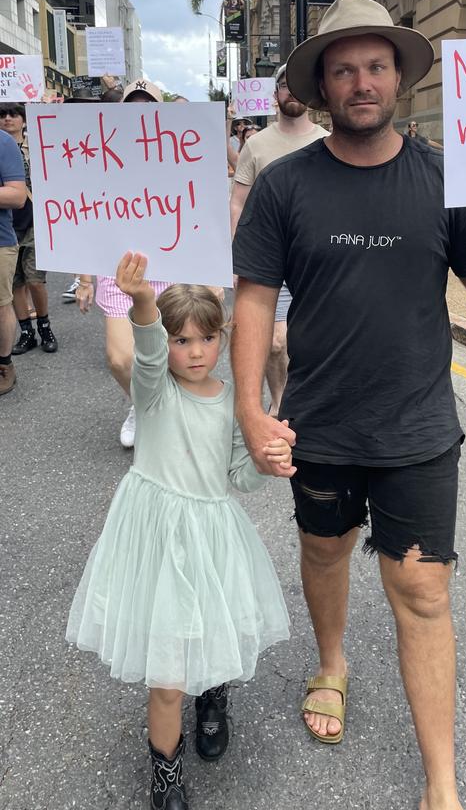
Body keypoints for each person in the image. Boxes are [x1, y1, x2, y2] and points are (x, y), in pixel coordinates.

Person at [230, 0, 466, 810]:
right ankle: (333, 663)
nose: (361, 81)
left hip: (419, 428)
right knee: (323, 554)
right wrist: (251, 409)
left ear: (398, 77)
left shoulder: (444, 178)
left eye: (375, 66)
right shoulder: (284, 185)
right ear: (322, 84)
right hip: (320, 423)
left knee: (424, 592)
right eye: (343, 68)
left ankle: (442, 784)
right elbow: (253, 299)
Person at [66, 251, 291, 809]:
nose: (194, 352)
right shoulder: (155, 392)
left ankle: (212, 695)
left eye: (205, 340)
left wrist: (268, 461)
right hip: (154, 535)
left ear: (223, 339)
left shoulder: (237, 402)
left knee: (209, 630)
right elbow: (143, 353)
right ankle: (165, 774)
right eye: (181, 340)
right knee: (165, 667)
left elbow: (240, 475)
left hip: (212, 535)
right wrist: (142, 300)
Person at [75, 80, 171, 447]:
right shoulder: (101, 157)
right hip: (116, 269)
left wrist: (209, 275)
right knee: (119, 358)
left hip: (169, 268)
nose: (141, 112)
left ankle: (163, 411)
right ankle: (140, 405)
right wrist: (84, 278)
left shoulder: (178, 154)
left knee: (169, 351)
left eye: (149, 105)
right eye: (134, 105)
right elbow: (84, 216)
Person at [230, 63, 325, 417]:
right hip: (269, 257)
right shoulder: (256, 145)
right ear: (275, 95)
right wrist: (236, 260)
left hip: (317, 258)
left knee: (311, 336)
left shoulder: (326, 141)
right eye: (285, 85)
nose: (292, 92)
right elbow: (238, 202)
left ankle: (309, 394)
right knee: (275, 342)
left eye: (298, 85)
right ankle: (281, 400)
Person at [0, 103, 58, 356]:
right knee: (15, 285)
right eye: (2, 115)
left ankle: (45, 327)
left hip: (35, 222)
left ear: (24, 120)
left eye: (13, 114)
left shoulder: (39, 147)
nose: (7, 119)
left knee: (35, 280)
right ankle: (27, 333)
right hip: (9, 224)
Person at [0, 123, 26, 395]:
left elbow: (17, 195)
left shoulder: (3, 142)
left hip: (0, 242)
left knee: (1, 305)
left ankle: (4, 364)